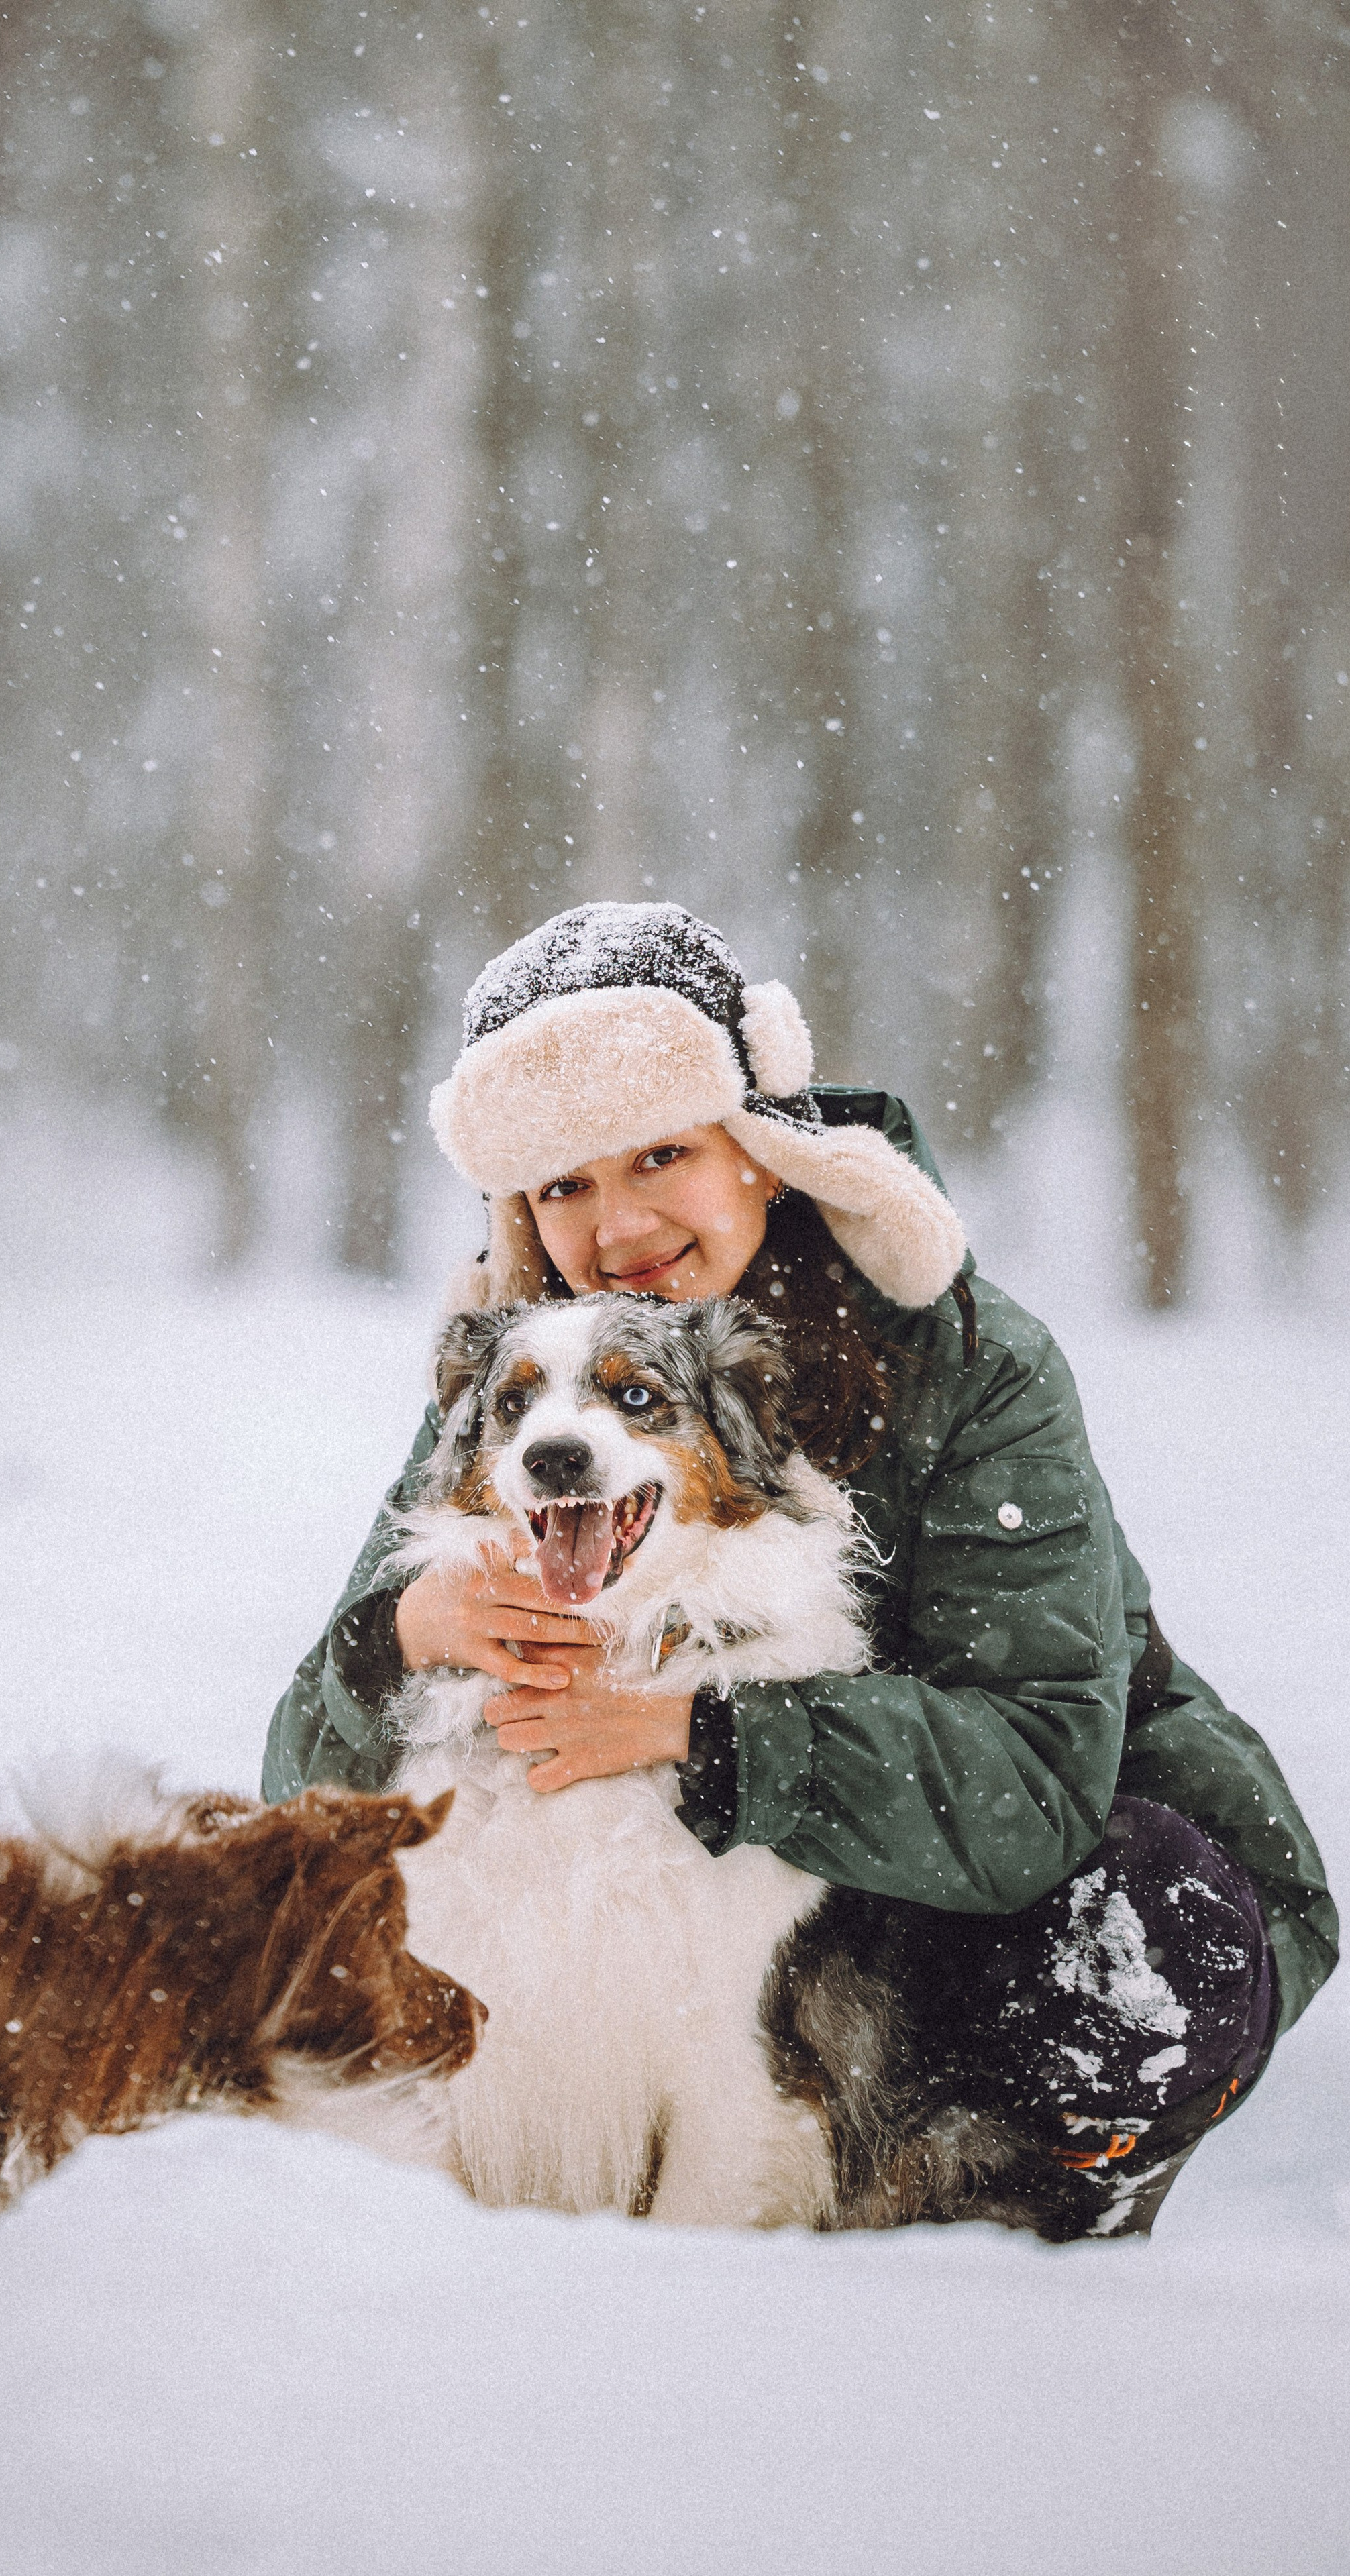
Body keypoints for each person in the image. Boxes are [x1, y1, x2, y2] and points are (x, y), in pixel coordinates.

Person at [265, 900, 1336, 2230]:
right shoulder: (525, 1389)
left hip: (1036, 1855)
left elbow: (1037, 1777)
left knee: (1122, 1940)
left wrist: (703, 1733)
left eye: (660, 1153)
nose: (618, 1224)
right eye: (563, 1185)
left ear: (760, 1150)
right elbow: (302, 1799)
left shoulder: (966, 1358)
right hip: (815, 1870)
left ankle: (1000, 2238)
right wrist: (400, 1639)